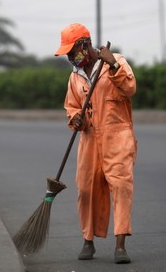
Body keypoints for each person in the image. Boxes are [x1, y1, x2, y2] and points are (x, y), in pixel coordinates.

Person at [54, 23, 137, 264]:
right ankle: (87, 241)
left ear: (85, 44)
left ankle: (120, 246)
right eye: (68, 53)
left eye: (72, 51)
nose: (71, 57)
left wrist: (112, 65)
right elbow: (71, 106)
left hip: (118, 136)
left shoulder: (115, 62)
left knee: (121, 187)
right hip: (89, 139)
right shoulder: (75, 77)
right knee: (86, 189)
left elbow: (130, 88)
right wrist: (75, 119)